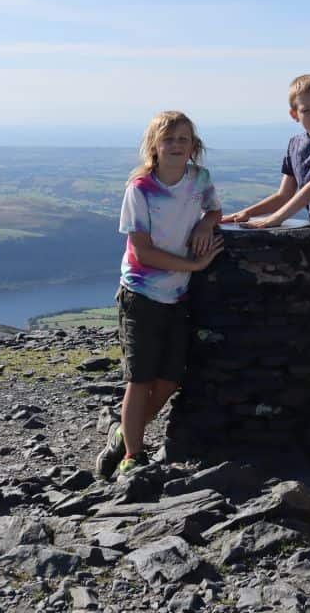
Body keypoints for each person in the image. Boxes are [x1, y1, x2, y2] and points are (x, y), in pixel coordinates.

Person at [221, 74, 310, 415]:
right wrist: (243, 214)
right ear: (294, 114)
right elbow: (284, 193)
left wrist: (275, 221)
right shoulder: (294, 145)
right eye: (307, 110)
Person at [96, 111, 223, 478]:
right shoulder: (140, 188)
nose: (176, 145)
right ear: (154, 145)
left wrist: (205, 221)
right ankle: (132, 455)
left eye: (184, 139)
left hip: (178, 297)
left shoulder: (199, 178)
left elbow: (214, 209)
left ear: (193, 146)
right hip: (141, 295)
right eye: (169, 139)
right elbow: (142, 251)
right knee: (141, 379)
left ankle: (123, 430)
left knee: (169, 380)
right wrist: (195, 268)